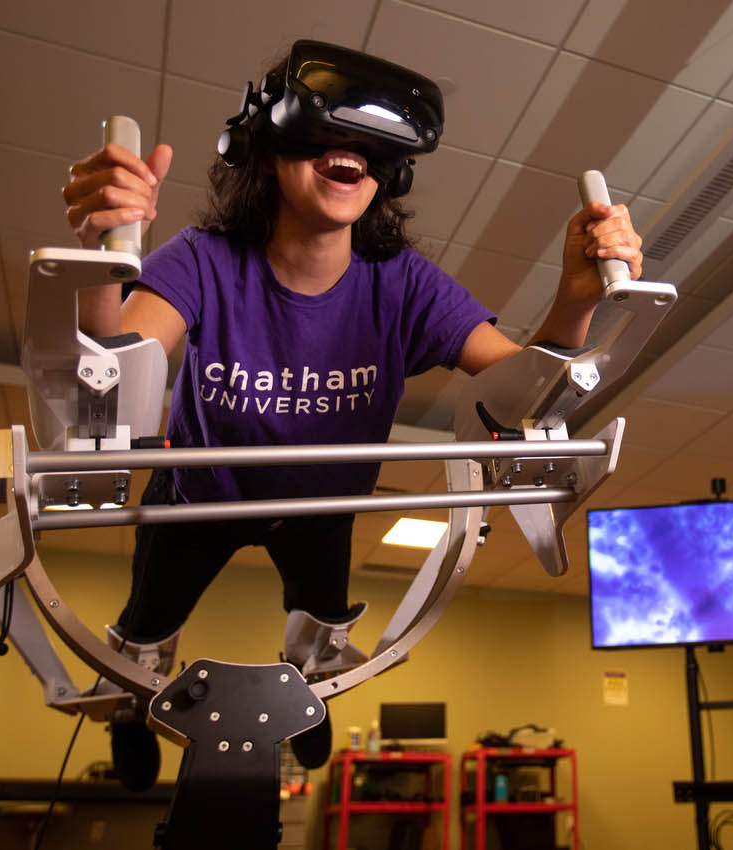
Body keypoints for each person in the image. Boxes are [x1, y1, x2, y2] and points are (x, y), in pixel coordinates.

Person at [59, 41, 643, 790]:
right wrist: (99, 263)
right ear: (267, 152)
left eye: (370, 148)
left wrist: (577, 301)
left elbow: (521, 395)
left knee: (324, 621)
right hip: (197, 494)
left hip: (321, 503)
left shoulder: (403, 285)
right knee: (144, 628)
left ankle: (306, 679)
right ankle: (128, 710)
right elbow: (117, 370)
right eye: (325, 136)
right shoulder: (204, 258)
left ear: (390, 172)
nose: (349, 155)